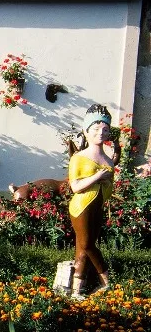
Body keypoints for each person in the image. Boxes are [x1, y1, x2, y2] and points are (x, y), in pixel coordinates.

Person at [68, 104, 114, 299]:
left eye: (105, 130)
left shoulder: (108, 160)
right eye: (95, 129)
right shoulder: (79, 158)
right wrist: (98, 177)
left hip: (98, 207)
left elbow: (109, 190)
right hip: (82, 207)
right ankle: (107, 281)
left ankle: (76, 290)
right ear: (86, 132)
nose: (100, 133)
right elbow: (76, 187)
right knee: (87, 244)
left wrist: (105, 180)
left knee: (83, 249)